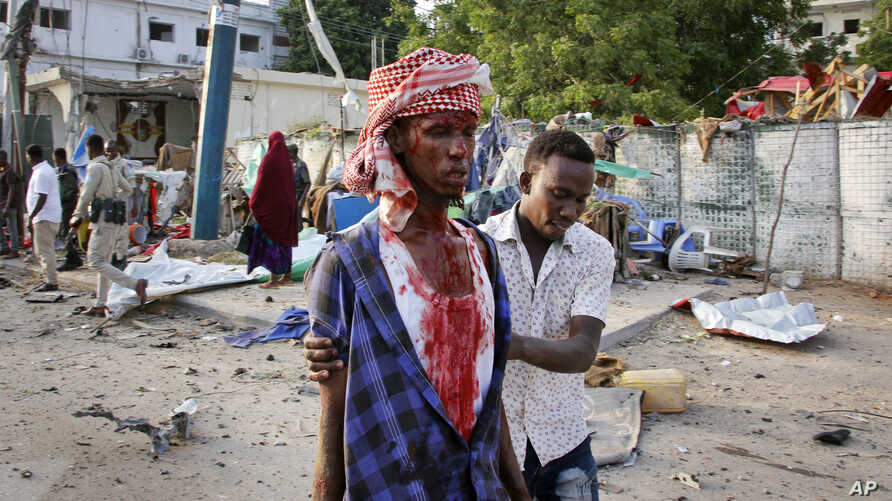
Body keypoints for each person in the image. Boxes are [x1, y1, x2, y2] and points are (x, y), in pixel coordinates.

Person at [305, 130, 615, 500]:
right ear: (526, 182)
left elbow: (582, 352)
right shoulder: (476, 247)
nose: (570, 211)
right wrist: (343, 347)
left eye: (581, 200)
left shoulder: (591, 253)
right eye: (559, 195)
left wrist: (494, 343)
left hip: (561, 439)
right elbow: (411, 344)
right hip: (490, 447)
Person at [305, 47, 529, 501]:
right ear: (398, 140)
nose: (460, 150)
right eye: (439, 132)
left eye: (467, 132)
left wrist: (519, 491)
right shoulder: (350, 261)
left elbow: (489, 389)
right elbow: (332, 416)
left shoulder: (481, 251)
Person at [69, 134, 148, 317]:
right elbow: (127, 189)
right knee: (103, 261)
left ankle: (135, 284)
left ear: (91, 148)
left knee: (95, 260)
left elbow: (86, 194)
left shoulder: (95, 167)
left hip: (103, 221)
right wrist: (114, 201)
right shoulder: (112, 167)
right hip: (114, 220)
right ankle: (99, 304)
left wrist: (77, 215)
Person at [247, 131, 298, 289]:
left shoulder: (268, 159)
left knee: (272, 240)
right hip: (288, 206)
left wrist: (253, 201)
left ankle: (273, 279)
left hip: (271, 207)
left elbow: (261, 183)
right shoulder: (288, 162)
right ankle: (287, 277)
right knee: (285, 240)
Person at [24, 144, 64, 291]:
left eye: (27, 156)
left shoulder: (41, 172)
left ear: (31, 156)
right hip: (47, 216)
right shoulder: (44, 170)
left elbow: (42, 197)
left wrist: (31, 216)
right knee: (44, 250)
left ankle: (52, 282)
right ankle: (48, 279)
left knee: (45, 250)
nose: (27, 159)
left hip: (44, 217)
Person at [104, 140, 133, 270]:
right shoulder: (104, 164)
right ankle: (113, 256)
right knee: (109, 230)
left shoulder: (124, 164)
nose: (109, 153)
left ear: (117, 150)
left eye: (111, 150)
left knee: (122, 230)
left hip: (121, 201)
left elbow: (131, 185)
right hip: (108, 203)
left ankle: (122, 257)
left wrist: (135, 203)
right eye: (107, 151)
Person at [55, 148, 83, 271]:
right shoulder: (63, 170)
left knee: (65, 232)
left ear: (58, 158)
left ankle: (71, 258)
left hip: (68, 205)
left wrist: (61, 200)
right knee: (63, 232)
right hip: (64, 205)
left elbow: (72, 190)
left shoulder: (68, 171)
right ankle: (73, 257)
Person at [0, 150, 22, 259]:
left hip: (9, 205)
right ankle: (4, 247)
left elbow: (12, 190)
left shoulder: (9, 171)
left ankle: (14, 250)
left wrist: (7, 207)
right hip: (2, 204)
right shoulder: (2, 170)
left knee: (12, 227)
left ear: (4, 158)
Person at [288, 143, 311, 231]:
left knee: (297, 221)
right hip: (290, 196)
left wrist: (302, 200)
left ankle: (299, 241)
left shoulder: (301, 165)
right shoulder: (290, 164)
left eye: (289, 152)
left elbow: (308, 183)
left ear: (294, 152)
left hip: (298, 196)